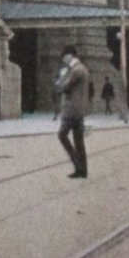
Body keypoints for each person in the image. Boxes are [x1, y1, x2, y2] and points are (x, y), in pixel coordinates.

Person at [55, 45, 91, 178]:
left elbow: (63, 87)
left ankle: (78, 164)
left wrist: (61, 78)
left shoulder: (75, 70)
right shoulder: (83, 69)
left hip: (71, 110)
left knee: (62, 135)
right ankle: (82, 170)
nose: (64, 59)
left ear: (70, 55)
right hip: (79, 110)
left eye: (64, 56)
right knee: (79, 141)